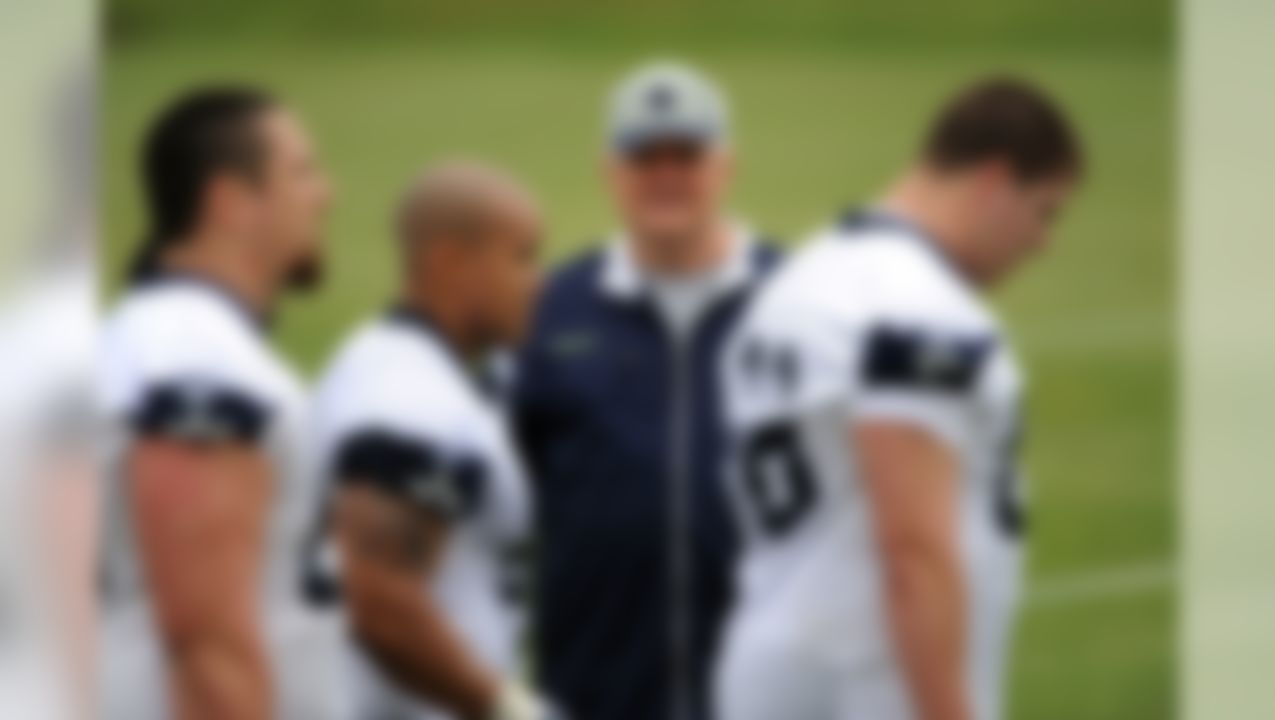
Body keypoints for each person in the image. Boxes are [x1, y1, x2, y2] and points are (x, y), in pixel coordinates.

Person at [714, 78, 1083, 720]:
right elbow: (913, 552)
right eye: (1044, 211)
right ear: (995, 179)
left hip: (768, 670)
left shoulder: (797, 281)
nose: (1041, 242)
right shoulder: (919, 309)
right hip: (873, 684)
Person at [514, 62, 778, 720]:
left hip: (772, 691)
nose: (665, 175)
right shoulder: (551, 308)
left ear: (726, 166)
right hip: (593, 689)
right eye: (642, 156)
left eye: (686, 154)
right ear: (608, 170)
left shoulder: (796, 300)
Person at [98, 87, 336, 720]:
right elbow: (206, 650)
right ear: (231, 201)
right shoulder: (198, 363)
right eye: (301, 172)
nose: (325, 194)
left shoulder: (172, 340)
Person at [306, 162, 557, 720]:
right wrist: (512, 709)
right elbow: (378, 596)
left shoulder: (388, 360)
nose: (539, 281)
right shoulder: (413, 398)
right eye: (522, 256)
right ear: (449, 260)